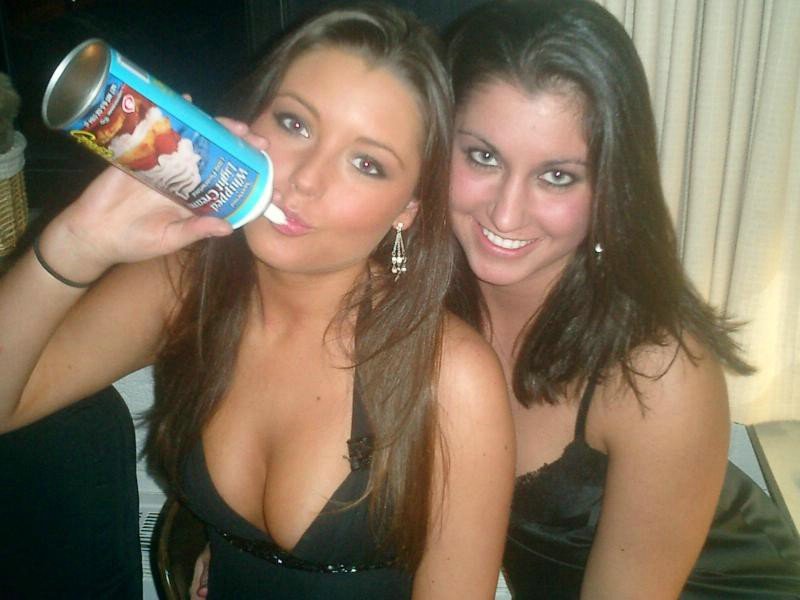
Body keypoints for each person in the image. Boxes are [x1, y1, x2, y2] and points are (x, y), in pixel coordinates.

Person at [0, 3, 515, 598]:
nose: (306, 179)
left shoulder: (451, 377)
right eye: (295, 124)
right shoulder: (186, 284)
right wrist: (76, 244)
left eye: (366, 163)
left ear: (407, 209)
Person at [444, 0, 800, 598]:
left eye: (558, 175)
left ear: (611, 184)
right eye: (484, 156)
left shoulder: (658, 372)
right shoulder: (419, 292)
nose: (505, 212)